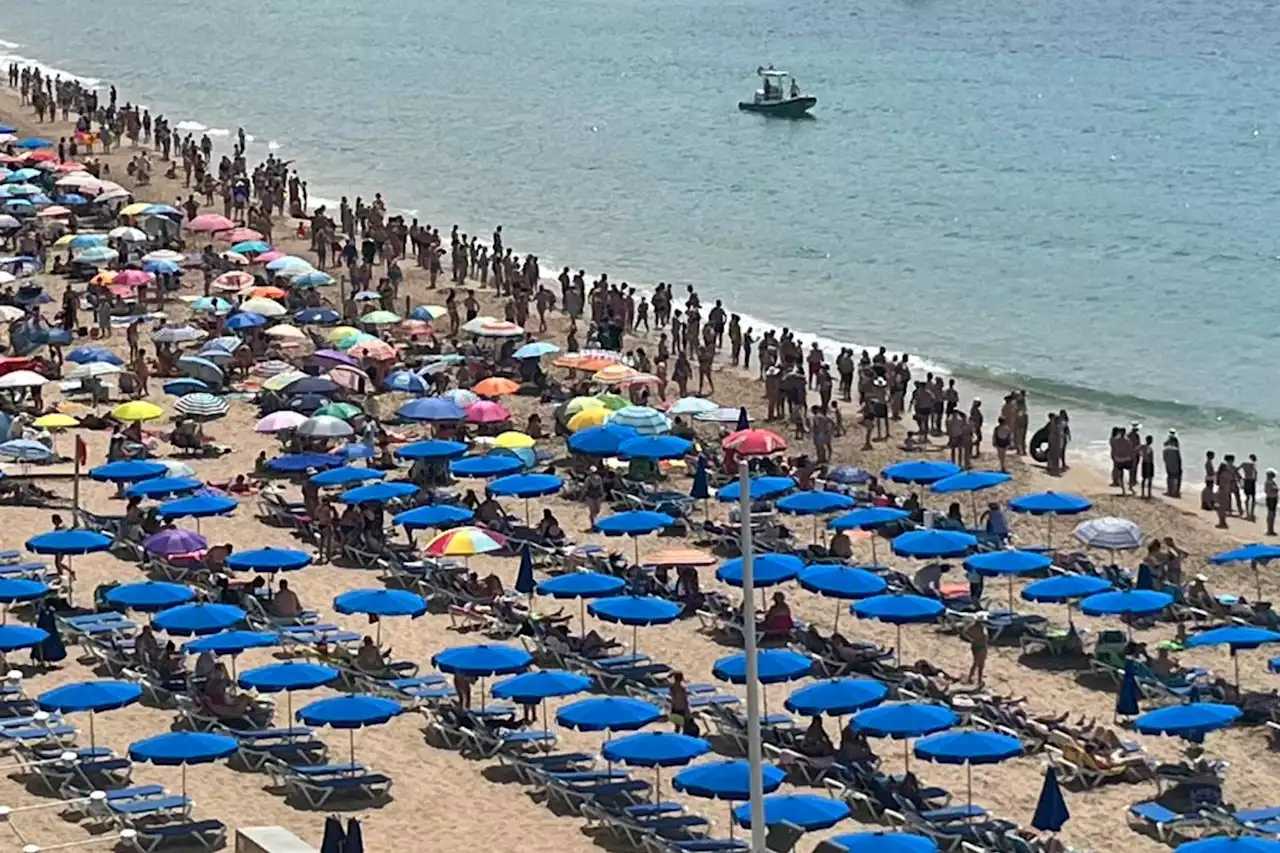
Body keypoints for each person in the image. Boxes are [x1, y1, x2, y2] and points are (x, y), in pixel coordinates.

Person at [961, 614, 989, 687]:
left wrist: (971, 639)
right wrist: (971, 639)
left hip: (979, 645)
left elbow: (964, 632)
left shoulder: (979, 627)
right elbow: (964, 632)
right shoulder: (976, 627)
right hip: (979, 645)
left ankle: (977, 679)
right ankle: (972, 678)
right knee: (978, 663)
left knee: (980, 663)